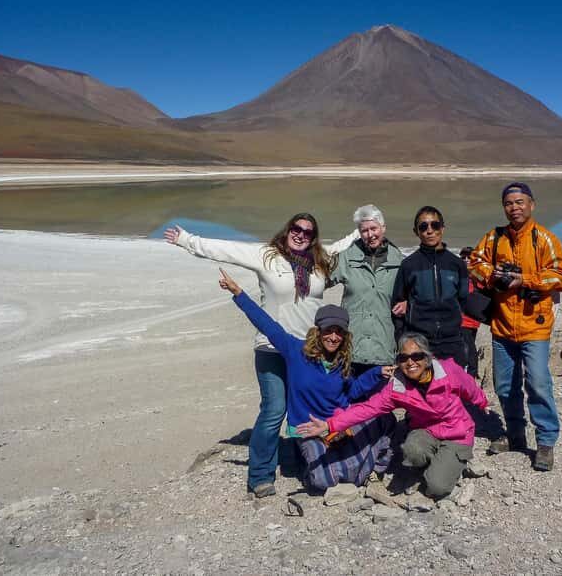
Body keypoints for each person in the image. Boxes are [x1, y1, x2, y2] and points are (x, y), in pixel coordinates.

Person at [163, 214, 356, 498]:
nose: (301, 235)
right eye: (296, 229)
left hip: (308, 351)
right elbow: (227, 250)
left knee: (304, 408)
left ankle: (303, 462)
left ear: (314, 237)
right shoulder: (266, 256)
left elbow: (341, 246)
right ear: (287, 229)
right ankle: (261, 476)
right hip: (272, 347)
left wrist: (364, 226)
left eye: (308, 232)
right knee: (274, 409)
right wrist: (187, 240)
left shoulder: (319, 261)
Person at [217, 268, 395, 492]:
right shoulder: (296, 351)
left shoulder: (342, 360)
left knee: (385, 419)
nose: (333, 337)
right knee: (323, 481)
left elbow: (351, 392)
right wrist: (238, 294)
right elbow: (267, 325)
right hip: (308, 429)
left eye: (339, 332)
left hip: (337, 425)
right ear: (318, 331)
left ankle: (363, 466)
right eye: (328, 330)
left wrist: (377, 374)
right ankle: (353, 467)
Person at [297, 332, 489, 499]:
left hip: (457, 434)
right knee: (412, 450)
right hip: (426, 430)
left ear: (427, 358)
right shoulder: (397, 387)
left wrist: (482, 402)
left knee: (437, 487)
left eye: (417, 356)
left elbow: (469, 387)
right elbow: (367, 408)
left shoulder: (447, 371)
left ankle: (451, 463)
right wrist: (330, 425)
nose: (410, 362)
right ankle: (434, 463)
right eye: (403, 358)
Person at [468, 182, 562, 471]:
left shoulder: (544, 239)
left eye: (520, 202)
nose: (514, 207)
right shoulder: (494, 238)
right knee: (504, 386)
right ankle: (515, 434)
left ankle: (545, 442)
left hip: (534, 327)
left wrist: (525, 279)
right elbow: (474, 263)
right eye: (509, 203)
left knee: (538, 383)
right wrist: (494, 275)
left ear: (531, 204)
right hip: (502, 326)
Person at [328, 204, 404, 376]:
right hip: (350, 351)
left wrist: (407, 303)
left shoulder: (399, 261)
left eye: (374, 228)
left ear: (383, 228)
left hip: (383, 351)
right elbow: (319, 281)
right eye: (364, 231)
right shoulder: (346, 257)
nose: (370, 235)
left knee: (378, 402)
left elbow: (414, 294)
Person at [391, 206, 469, 367]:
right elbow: (397, 306)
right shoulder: (409, 265)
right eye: (423, 226)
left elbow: (463, 300)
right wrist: (401, 339)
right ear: (416, 231)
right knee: (422, 389)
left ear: (443, 228)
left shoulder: (457, 264)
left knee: (453, 388)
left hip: (452, 340)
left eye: (435, 225)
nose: (429, 230)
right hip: (420, 340)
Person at [458, 247, 481, 378]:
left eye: (469, 257)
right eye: (463, 258)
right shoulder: (458, 274)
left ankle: (471, 374)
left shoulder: (476, 275)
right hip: (460, 318)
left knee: (468, 347)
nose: (466, 260)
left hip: (470, 318)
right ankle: (469, 373)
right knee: (466, 345)